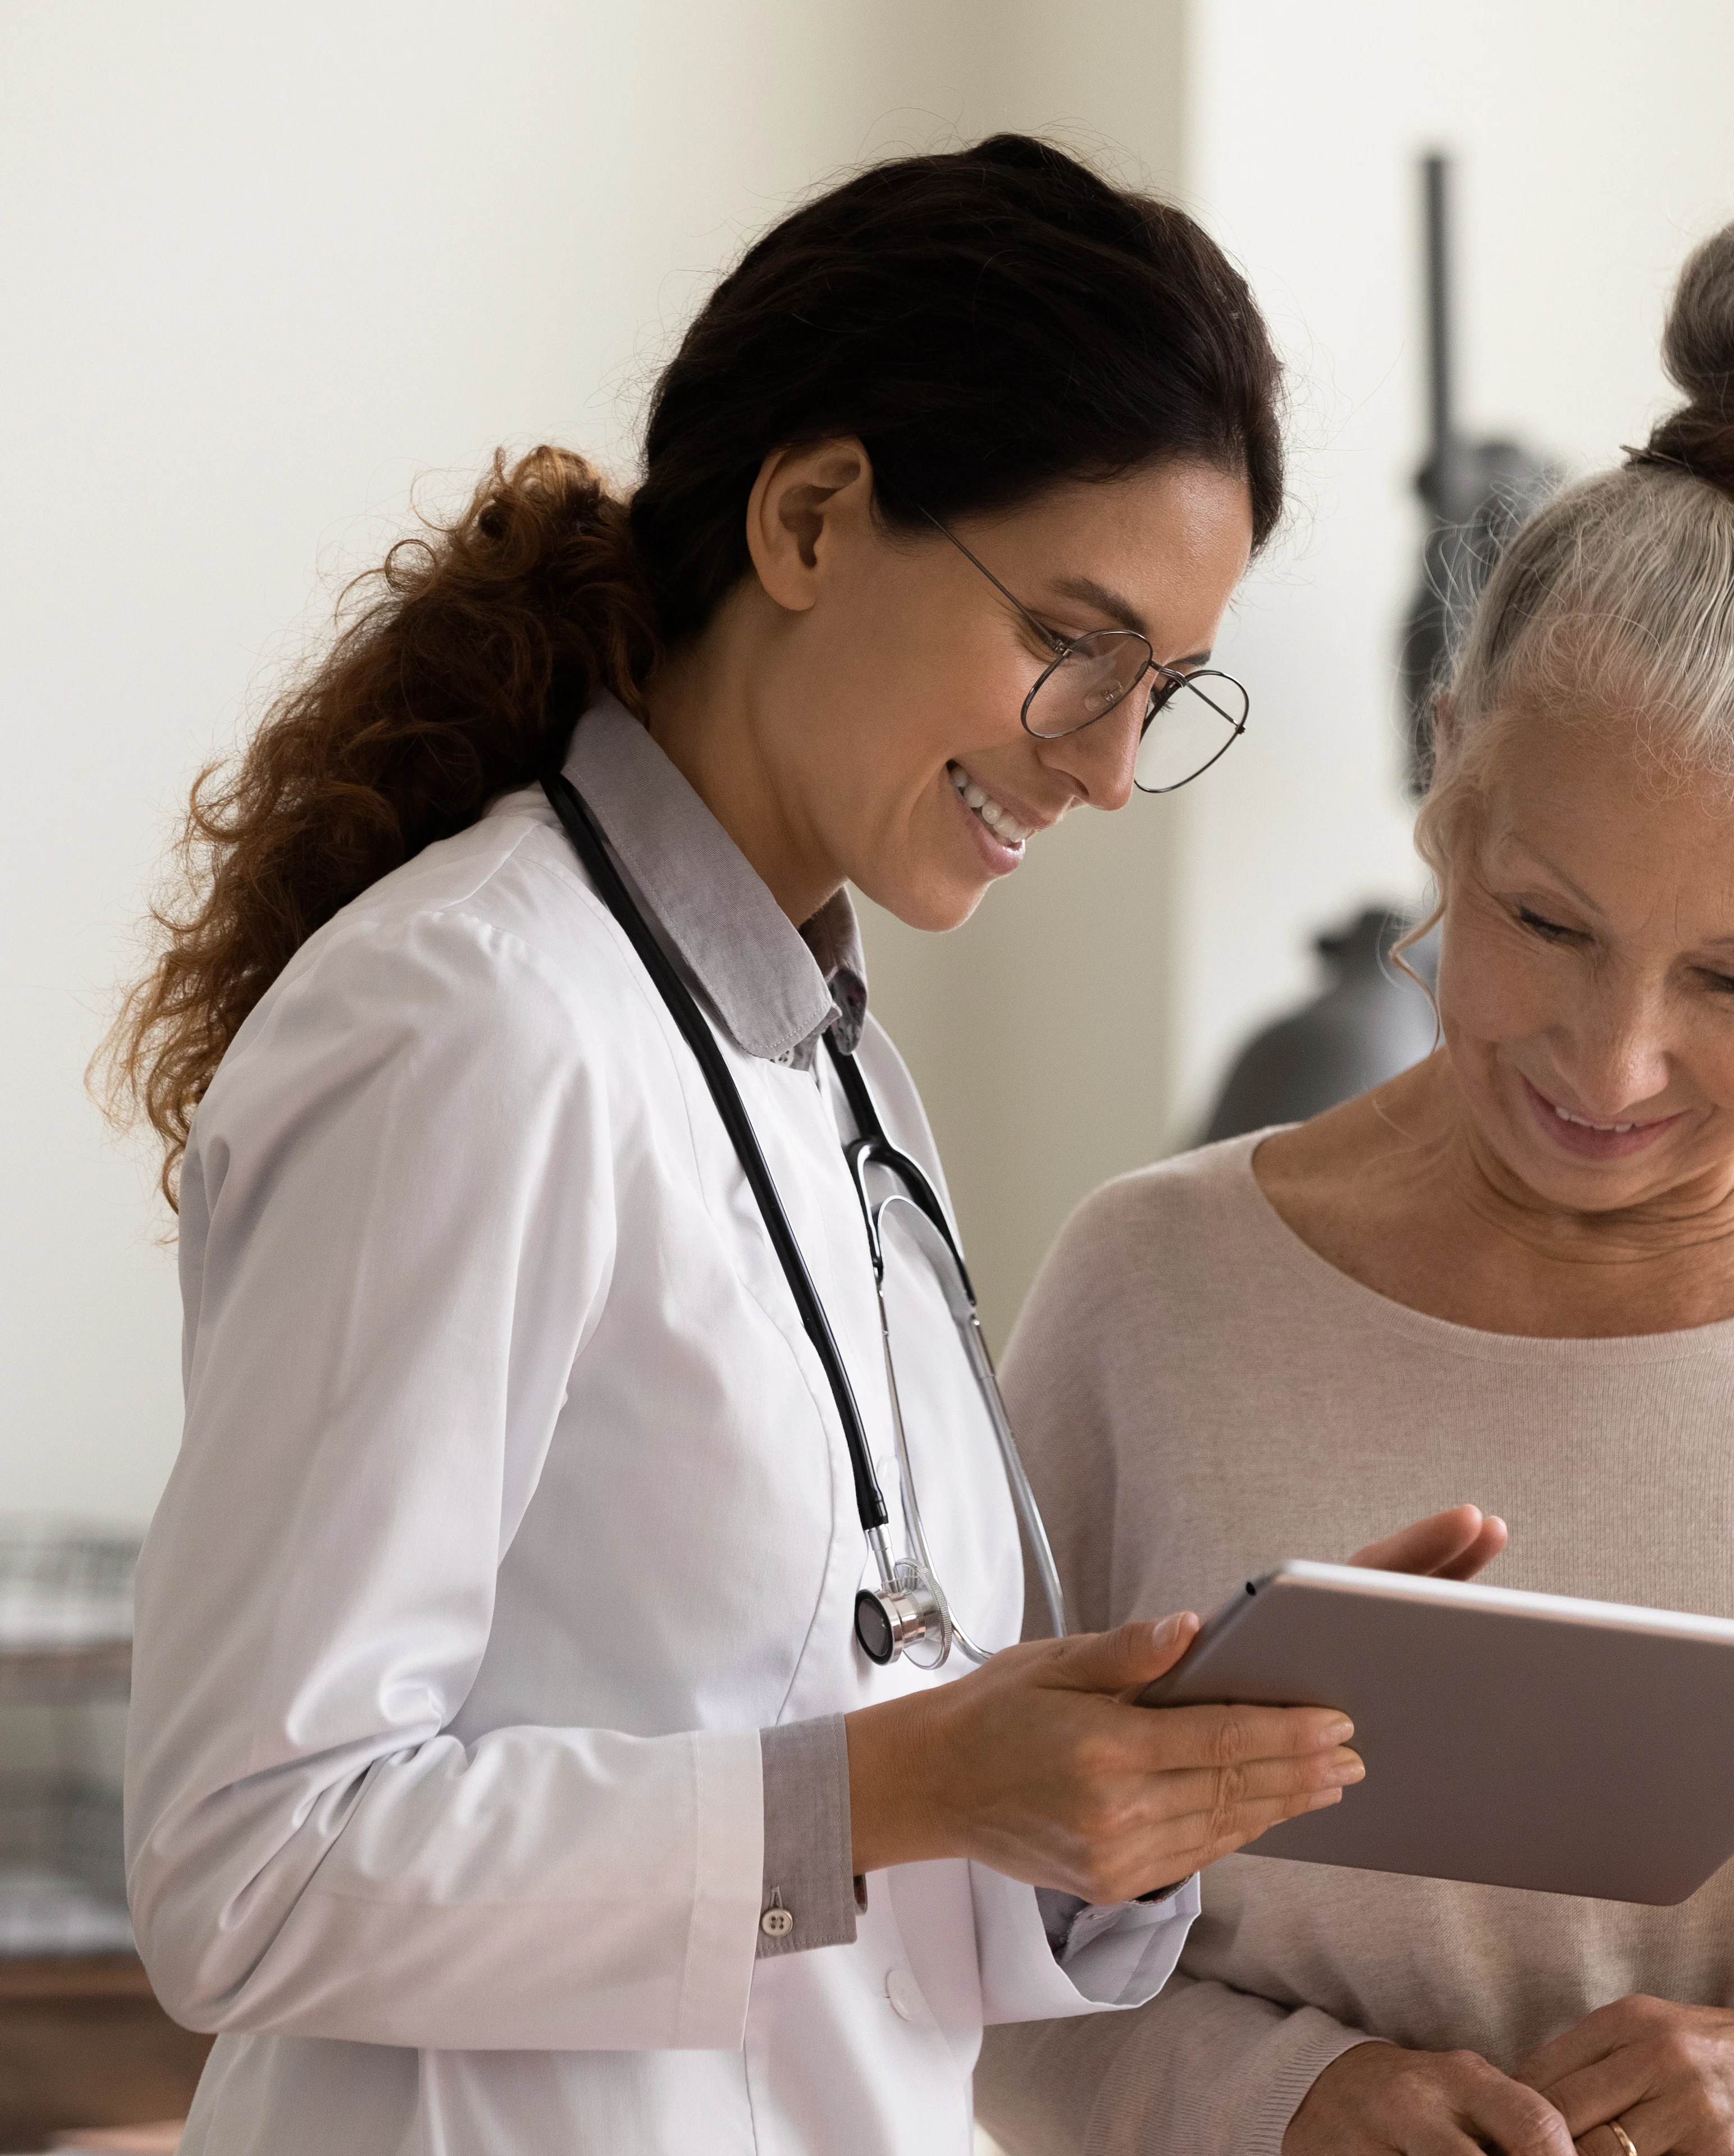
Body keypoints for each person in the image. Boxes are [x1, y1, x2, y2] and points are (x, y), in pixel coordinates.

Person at [108, 136, 1504, 2156]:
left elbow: (849, 1887)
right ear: (813, 516)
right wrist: (904, 1788)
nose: (1112, 766)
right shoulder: (472, 1025)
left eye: (1167, 693)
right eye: (1079, 644)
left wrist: (1123, 1785)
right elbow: (247, 1870)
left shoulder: (823, 1059)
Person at [975, 199, 1734, 2156]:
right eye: (1543, 918)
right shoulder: (1151, 1290)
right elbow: (973, 1939)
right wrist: (1286, 2104)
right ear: (1447, 777)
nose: (1610, 1064)